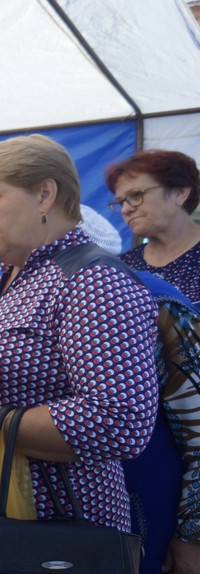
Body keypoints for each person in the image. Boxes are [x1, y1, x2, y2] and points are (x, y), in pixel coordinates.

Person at [0, 134, 159, 534]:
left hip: (54, 530)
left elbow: (120, 420)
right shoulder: (20, 276)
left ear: (44, 194)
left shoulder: (94, 280)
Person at [80, 207, 200, 574]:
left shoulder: (156, 299)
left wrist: (192, 536)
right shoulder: (20, 299)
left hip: (143, 512)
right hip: (69, 520)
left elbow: (197, 428)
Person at [105, 149, 200, 305]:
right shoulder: (121, 268)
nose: (125, 209)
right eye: (121, 202)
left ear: (180, 192)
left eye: (136, 195)